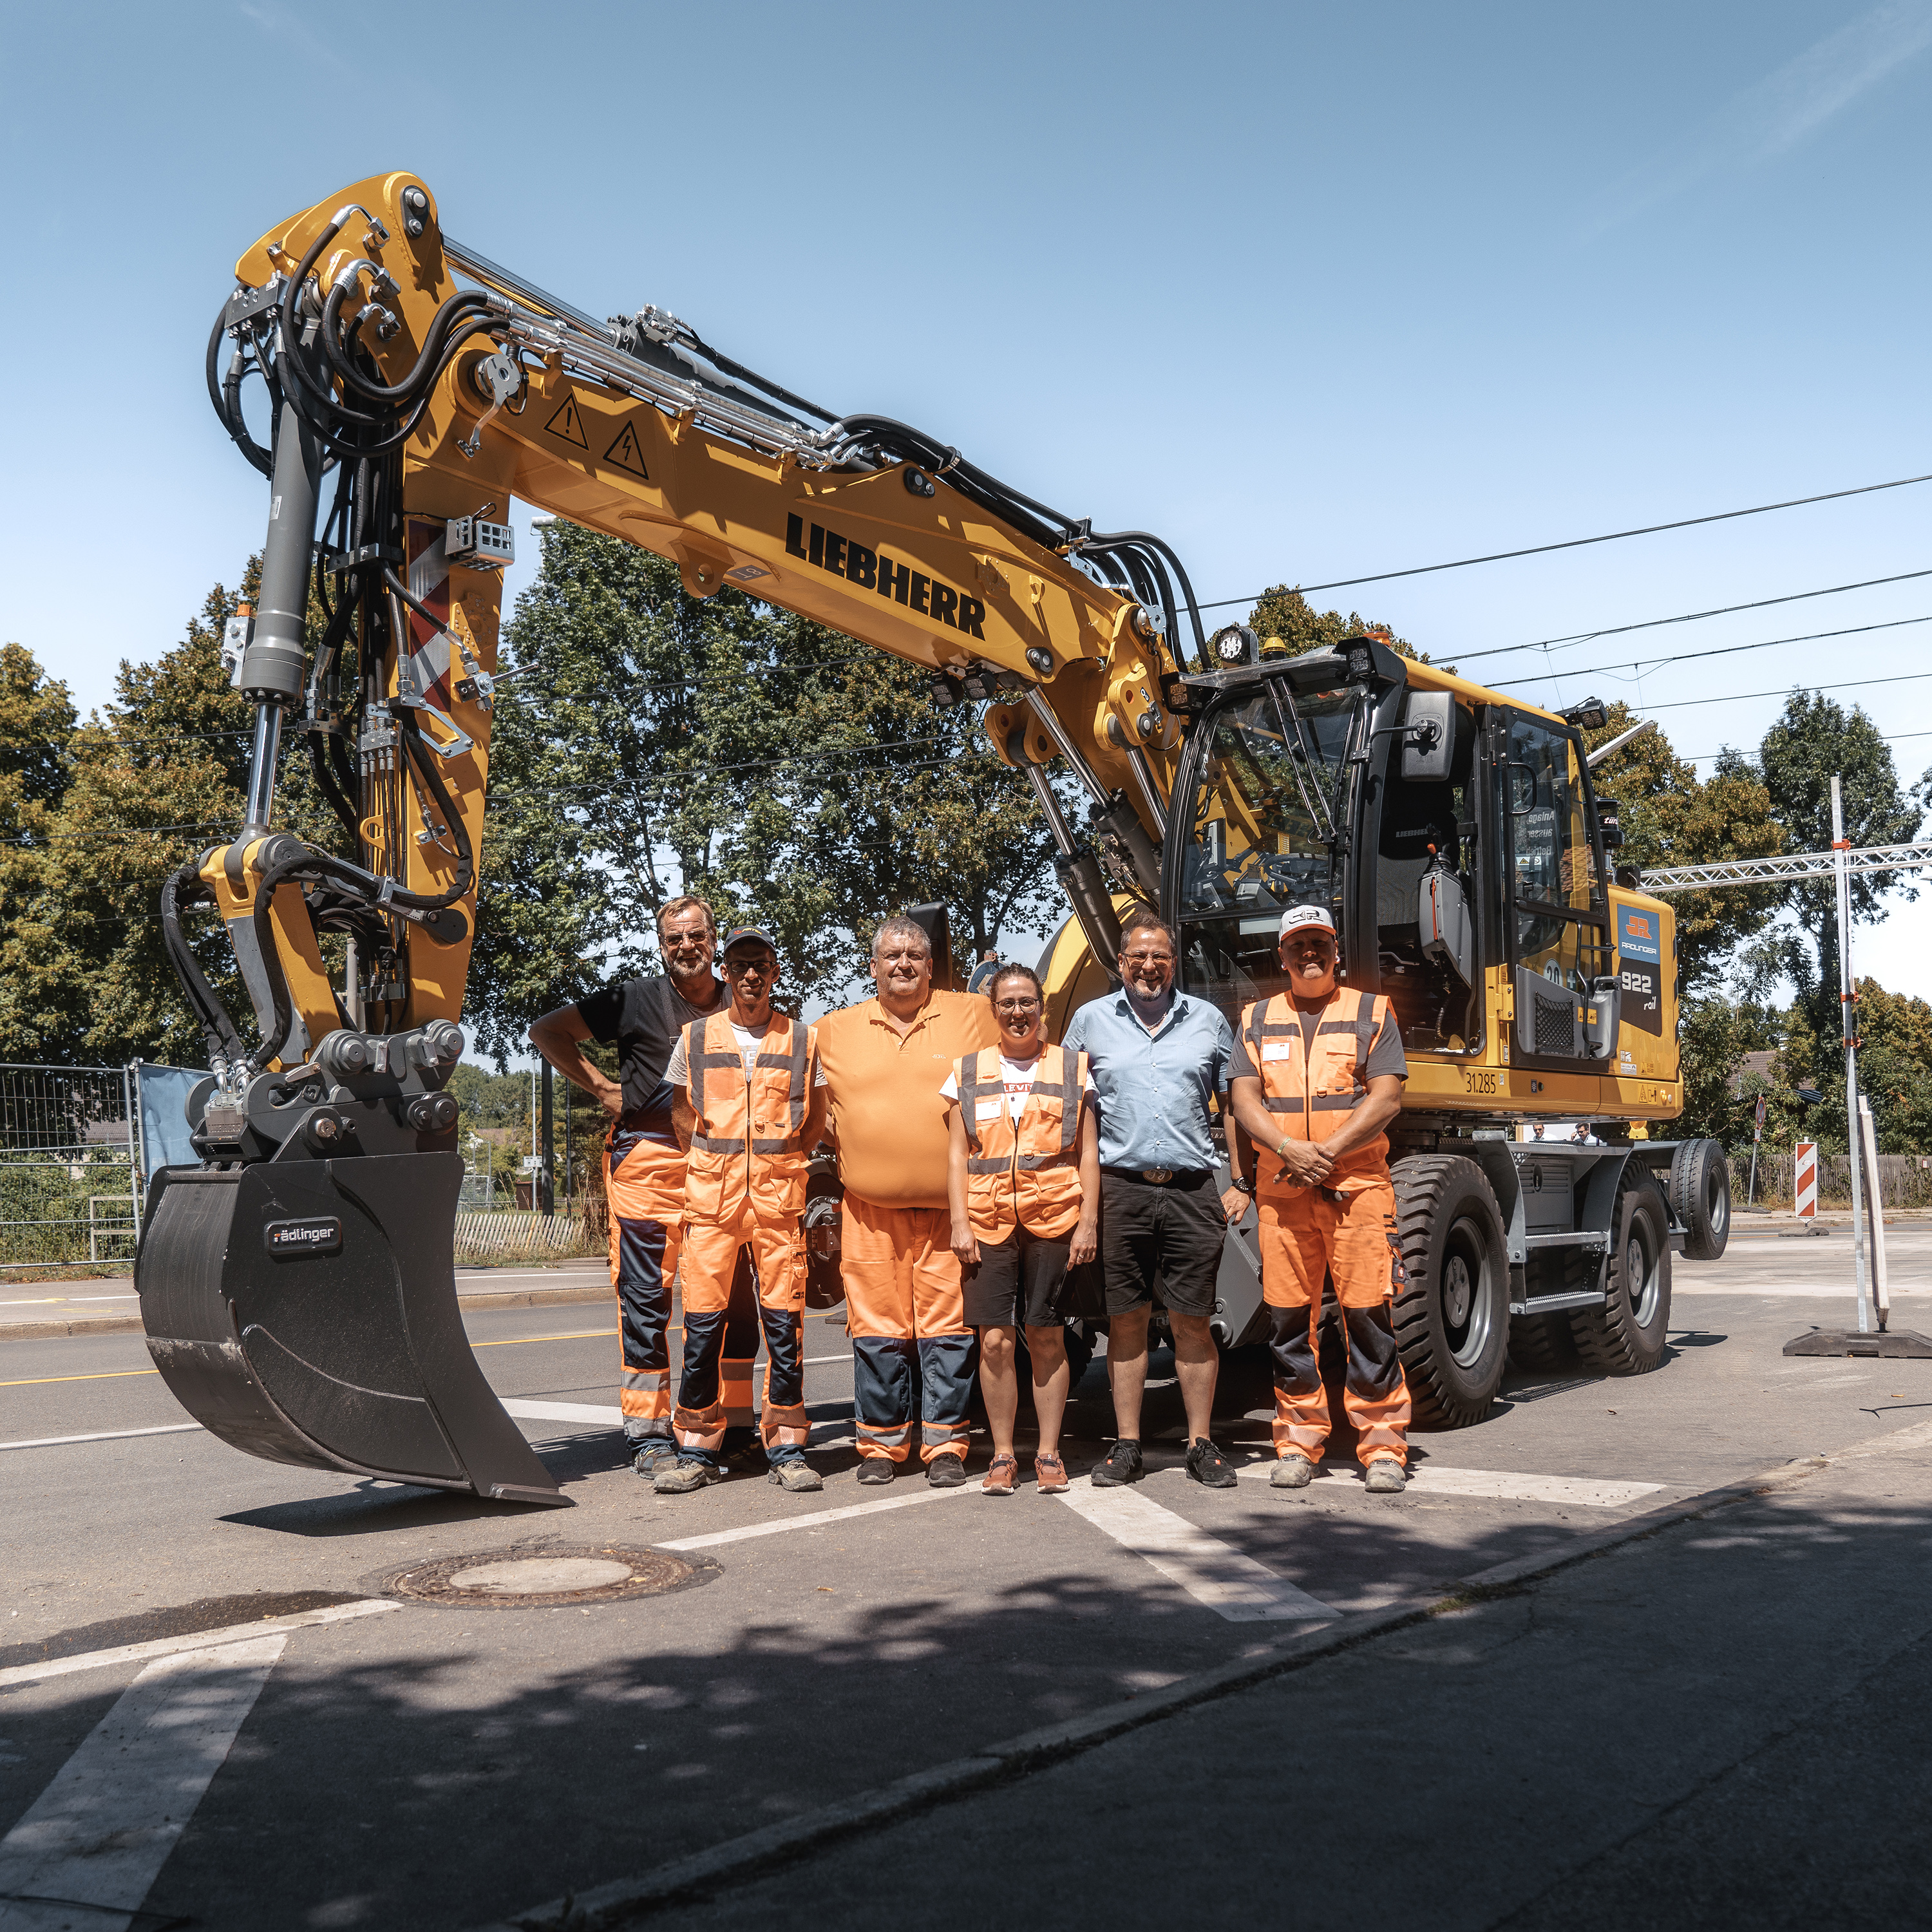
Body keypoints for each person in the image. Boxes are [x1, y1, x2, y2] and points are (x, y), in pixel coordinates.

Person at [532, 896, 752, 1478]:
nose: (687, 946)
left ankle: (730, 1425)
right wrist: (604, 1087)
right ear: (662, 946)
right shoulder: (631, 1000)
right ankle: (649, 1433)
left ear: (714, 941)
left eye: (697, 936)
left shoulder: (744, 1003)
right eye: (675, 938)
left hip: (722, 1168)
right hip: (648, 1167)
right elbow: (548, 1031)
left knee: (729, 1301)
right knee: (647, 1300)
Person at [1226, 904, 1412, 1494]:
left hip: (1356, 1191)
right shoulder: (1255, 1019)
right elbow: (1244, 1101)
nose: (1310, 954)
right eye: (1298, 945)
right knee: (1287, 1323)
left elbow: (1385, 1099)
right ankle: (1299, 1441)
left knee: (1368, 1319)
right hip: (1283, 1194)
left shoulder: (1371, 1010)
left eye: (1319, 944)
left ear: (1335, 951)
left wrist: (1322, 1152)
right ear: (1280, 955)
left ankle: (1383, 1447)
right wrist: (1287, 1147)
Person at [1061, 909, 1247, 1490]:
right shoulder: (1088, 1023)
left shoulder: (1209, 1020)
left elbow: (1235, 1104)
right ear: (1120, 962)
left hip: (1193, 1190)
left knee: (1194, 1323)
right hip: (1121, 1191)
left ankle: (1201, 1444)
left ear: (1174, 962)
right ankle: (1127, 1446)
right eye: (1138, 957)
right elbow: (1066, 1109)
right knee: (1127, 1323)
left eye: (1160, 957)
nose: (1149, 967)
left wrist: (1241, 1182)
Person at [815, 915, 1002, 1485]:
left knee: (948, 1332)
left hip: (954, 1211)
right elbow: (808, 1112)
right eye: (891, 955)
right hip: (868, 1213)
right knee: (876, 1330)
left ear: (930, 964)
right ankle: (880, 1447)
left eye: (914, 956)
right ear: (872, 967)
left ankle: (945, 1448)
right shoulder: (832, 1030)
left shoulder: (976, 1014)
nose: (903, 964)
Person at [656, 927, 826, 1493]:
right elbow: (681, 1113)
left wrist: (785, 1162)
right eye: (740, 964)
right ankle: (697, 1452)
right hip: (713, 1204)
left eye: (761, 964)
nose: (751, 974)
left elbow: (818, 1115)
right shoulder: (695, 1037)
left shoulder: (804, 1039)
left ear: (775, 972)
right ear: (724, 972)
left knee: (785, 1329)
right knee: (702, 1328)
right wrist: (710, 1163)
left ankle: (787, 1449)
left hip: (777, 1204)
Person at [943, 962, 1099, 1495]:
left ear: (1042, 1009)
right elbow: (957, 1157)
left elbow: (1089, 1156)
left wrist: (1088, 1224)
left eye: (1026, 1002)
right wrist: (958, 1222)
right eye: (1007, 1003)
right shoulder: (966, 1072)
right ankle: (1005, 1455)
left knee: (1048, 1335)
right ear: (993, 1011)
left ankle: (1050, 1453)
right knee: (993, 1344)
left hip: (1056, 1218)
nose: (1017, 1012)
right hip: (986, 1224)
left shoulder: (1073, 1068)